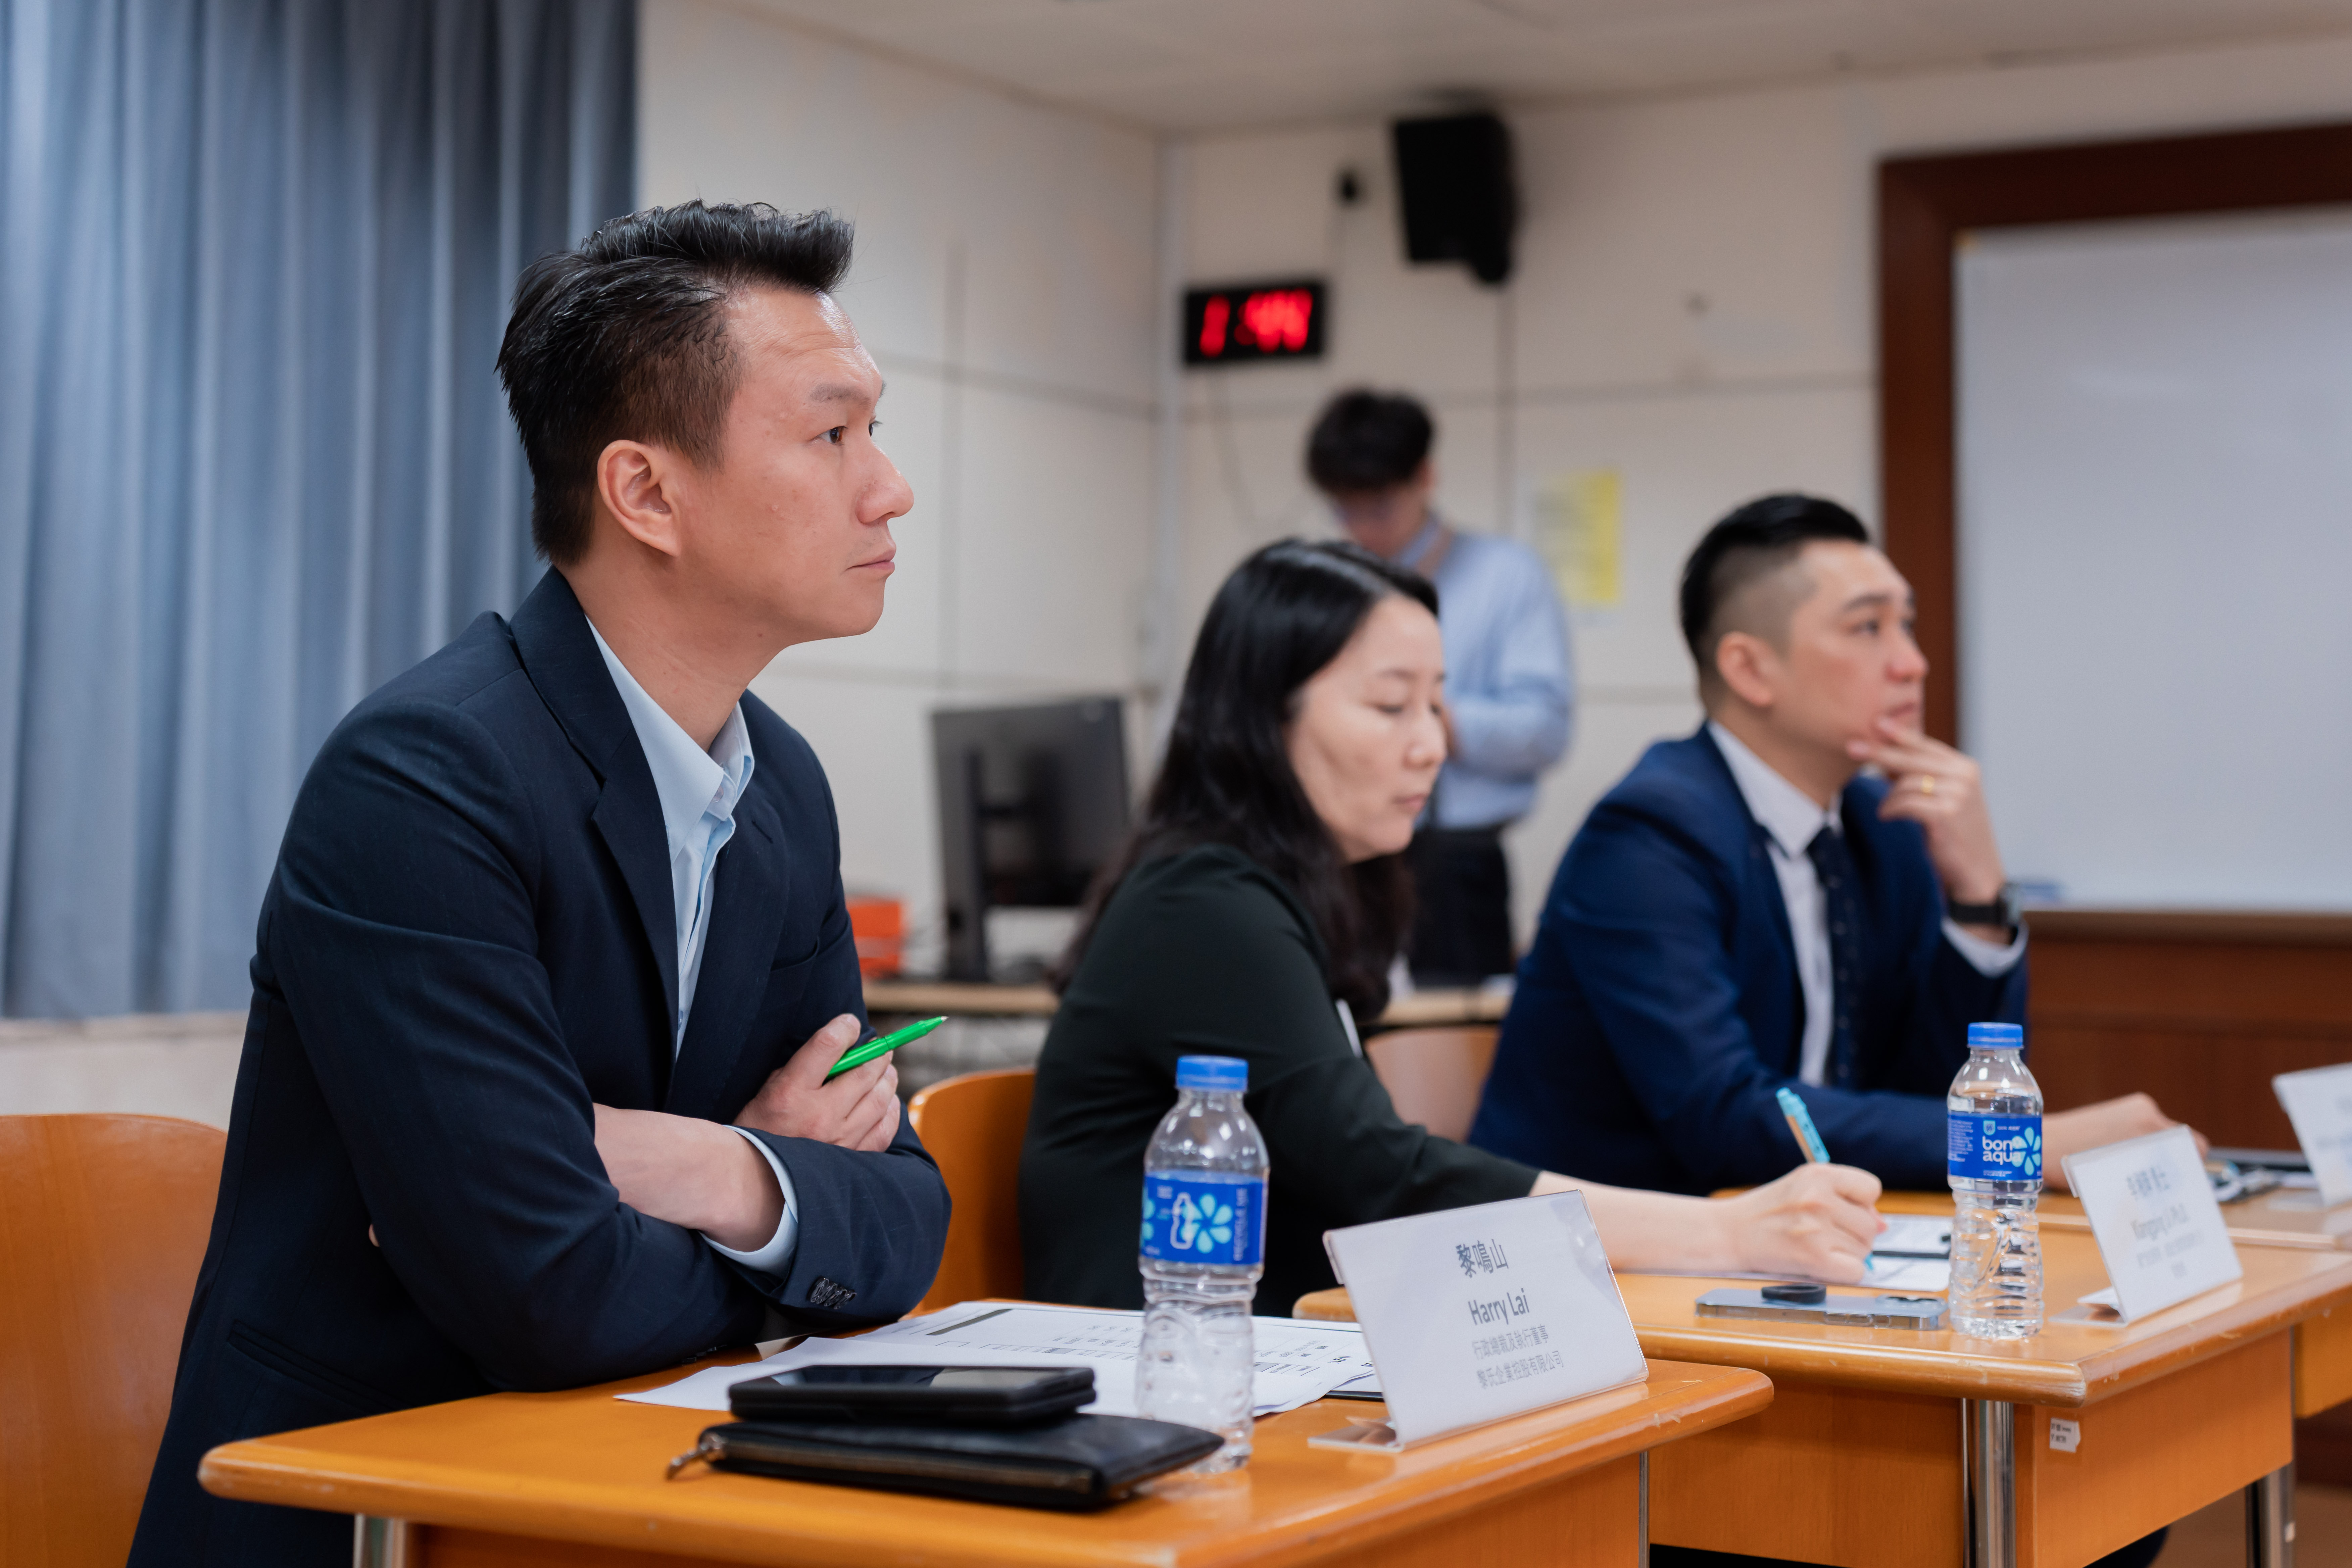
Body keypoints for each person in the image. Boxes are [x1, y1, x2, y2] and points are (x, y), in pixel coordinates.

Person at [130, 203, 951, 1567]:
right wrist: (779, 1210)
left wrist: (694, 1163)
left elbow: (903, 1215)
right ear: (645, 493)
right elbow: (545, 1290)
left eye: (874, 430)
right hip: (375, 1510)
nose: (890, 488)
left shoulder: (781, 787)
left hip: (639, 1490)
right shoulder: (424, 778)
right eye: (831, 435)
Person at [1020, 539, 1883, 1318]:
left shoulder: (1293, 892)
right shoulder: (1202, 902)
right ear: (1263, 720)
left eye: (1437, 705)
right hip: (1162, 1370)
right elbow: (1377, 1173)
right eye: (1392, 705)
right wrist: (1726, 1233)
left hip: (1287, 1348)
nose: (1433, 743)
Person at [1470, 493, 2191, 1194]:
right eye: (1868, 628)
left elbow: (1925, 1095)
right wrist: (2018, 1139)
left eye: (1906, 625)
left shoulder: (1882, 821)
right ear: (1750, 669)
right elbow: (1724, 1116)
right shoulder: (1649, 836)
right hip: (1608, 1247)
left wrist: (1978, 901)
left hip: (1807, 1238)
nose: (1912, 663)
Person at [1306, 390, 1571, 985]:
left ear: (1425, 477)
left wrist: (1421, 715)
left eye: (1378, 507)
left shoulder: (1506, 575)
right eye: (1344, 510)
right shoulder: (1328, 585)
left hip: (1456, 861)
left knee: (1452, 1025)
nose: (1361, 528)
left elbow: (1546, 729)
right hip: (1339, 849)